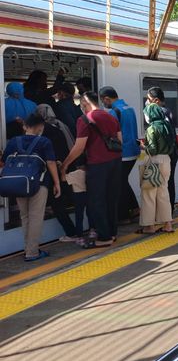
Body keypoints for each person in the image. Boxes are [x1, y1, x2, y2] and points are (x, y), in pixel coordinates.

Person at [61, 91, 122, 248]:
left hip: (97, 164)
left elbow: (79, 147)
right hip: (115, 162)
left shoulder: (84, 119)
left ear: (85, 103)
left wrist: (66, 163)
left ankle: (104, 237)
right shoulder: (111, 116)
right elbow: (119, 140)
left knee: (96, 201)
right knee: (111, 199)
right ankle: (113, 233)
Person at [2, 113, 61, 261]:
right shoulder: (44, 142)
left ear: (24, 126)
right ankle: (32, 252)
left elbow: (4, 160)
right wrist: (57, 183)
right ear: (41, 126)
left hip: (18, 183)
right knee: (36, 217)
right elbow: (51, 163)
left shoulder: (14, 141)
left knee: (25, 216)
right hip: (39, 184)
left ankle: (29, 248)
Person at [36, 104, 79, 242]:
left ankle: (71, 232)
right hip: (66, 167)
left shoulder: (42, 131)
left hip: (54, 170)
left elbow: (49, 157)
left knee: (57, 203)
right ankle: (89, 228)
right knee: (74, 197)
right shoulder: (60, 125)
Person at [99, 86, 140, 223]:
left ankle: (123, 216)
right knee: (123, 182)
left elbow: (110, 134)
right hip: (133, 151)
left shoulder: (113, 112)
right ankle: (134, 209)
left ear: (107, 98)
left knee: (119, 184)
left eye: (103, 101)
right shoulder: (129, 108)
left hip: (123, 153)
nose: (103, 104)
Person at [139, 103, 174, 233]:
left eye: (146, 114)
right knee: (163, 193)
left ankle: (150, 226)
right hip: (166, 160)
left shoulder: (152, 128)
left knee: (148, 194)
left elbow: (152, 150)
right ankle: (168, 224)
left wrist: (143, 146)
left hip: (155, 162)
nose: (145, 117)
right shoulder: (167, 126)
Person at [146, 87, 178, 213]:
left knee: (162, 183)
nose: (147, 102)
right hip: (173, 151)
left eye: (148, 99)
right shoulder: (168, 111)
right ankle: (169, 208)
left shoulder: (159, 113)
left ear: (155, 100)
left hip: (165, 153)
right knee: (169, 181)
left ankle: (165, 211)